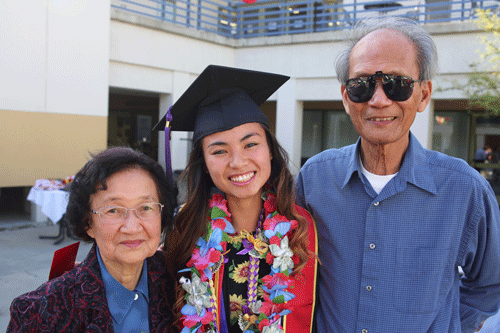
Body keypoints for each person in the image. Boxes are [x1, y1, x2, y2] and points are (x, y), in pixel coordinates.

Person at [295, 17, 500, 332]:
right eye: (362, 84)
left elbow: (489, 285)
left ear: (423, 94)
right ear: (347, 98)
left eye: (397, 84)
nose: (379, 100)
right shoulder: (314, 180)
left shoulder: (465, 189)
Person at [154, 65, 318, 333]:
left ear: (270, 151)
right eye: (219, 151)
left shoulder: (301, 229)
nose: (238, 162)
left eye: (251, 144)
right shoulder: (183, 228)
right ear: (204, 163)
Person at [8, 147, 178, 332]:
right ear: (88, 222)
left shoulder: (182, 283)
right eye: (113, 210)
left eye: (145, 207)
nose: (132, 227)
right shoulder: (39, 314)